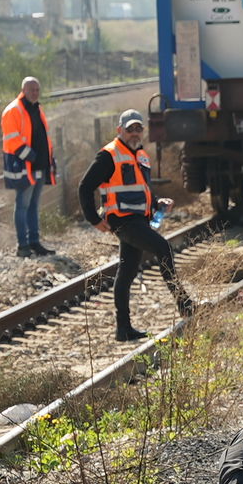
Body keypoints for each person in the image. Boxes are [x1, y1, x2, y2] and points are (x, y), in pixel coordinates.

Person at [78, 109, 195, 341]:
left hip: (138, 219)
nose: (134, 133)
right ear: (119, 130)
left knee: (127, 271)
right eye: (129, 129)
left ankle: (123, 329)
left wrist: (157, 203)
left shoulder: (141, 155)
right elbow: (84, 187)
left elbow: (141, 190)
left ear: (143, 131)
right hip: (122, 220)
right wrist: (94, 219)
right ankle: (184, 304)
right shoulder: (109, 155)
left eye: (138, 129)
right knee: (163, 248)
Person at [1, 76, 56, 257]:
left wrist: (48, 159)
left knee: (33, 206)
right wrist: (31, 156)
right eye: (32, 90)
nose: (35, 93)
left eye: (37, 90)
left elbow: (43, 136)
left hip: (39, 166)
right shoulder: (13, 110)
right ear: (23, 90)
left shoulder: (37, 108)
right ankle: (22, 246)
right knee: (22, 205)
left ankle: (34, 242)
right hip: (24, 166)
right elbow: (12, 139)